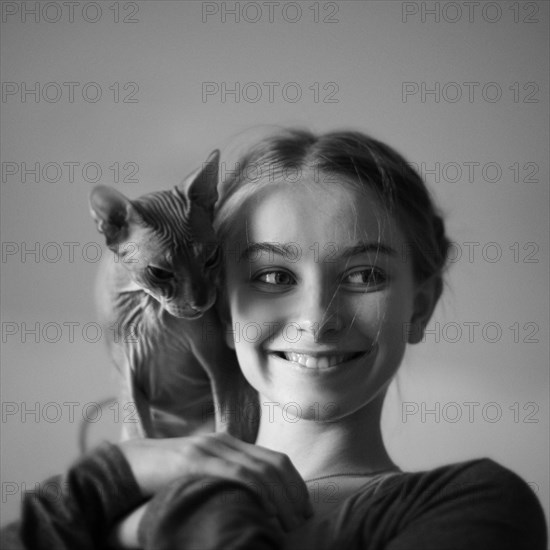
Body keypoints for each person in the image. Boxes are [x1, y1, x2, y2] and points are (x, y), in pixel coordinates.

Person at [1, 128, 547, 549]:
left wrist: (177, 509)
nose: (317, 318)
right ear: (215, 300)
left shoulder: (472, 504)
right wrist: (113, 480)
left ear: (420, 306)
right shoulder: (84, 507)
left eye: (363, 276)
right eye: (272, 277)